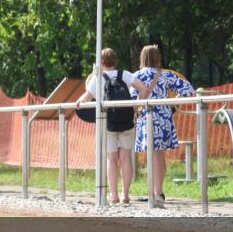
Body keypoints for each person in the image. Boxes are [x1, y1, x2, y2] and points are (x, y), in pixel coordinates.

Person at [74, 48, 148, 205]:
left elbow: (86, 98)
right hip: (127, 120)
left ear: (100, 63)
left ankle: (113, 195)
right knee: (126, 157)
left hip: (108, 122)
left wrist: (77, 103)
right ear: (116, 61)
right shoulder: (125, 75)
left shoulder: (97, 78)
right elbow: (143, 88)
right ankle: (125, 195)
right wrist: (138, 107)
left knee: (111, 159)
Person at [132, 45, 194, 207]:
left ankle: (154, 192)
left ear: (142, 58)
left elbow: (132, 98)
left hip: (147, 117)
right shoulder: (166, 75)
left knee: (151, 156)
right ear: (157, 57)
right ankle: (158, 191)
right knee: (160, 155)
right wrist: (171, 102)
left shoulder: (137, 76)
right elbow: (189, 90)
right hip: (164, 118)